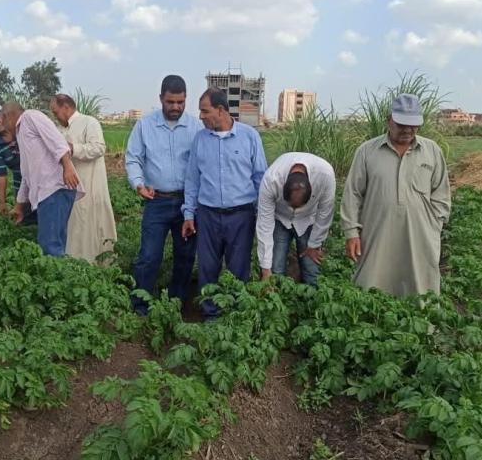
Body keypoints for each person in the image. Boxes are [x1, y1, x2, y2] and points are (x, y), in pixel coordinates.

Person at [340, 93, 451, 296]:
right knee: (371, 284)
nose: (408, 130)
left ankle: (422, 327)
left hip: (420, 236)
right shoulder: (367, 151)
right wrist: (351, 232)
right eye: (402, 124)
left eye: (413, 125)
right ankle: (370, 326)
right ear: (389, 120)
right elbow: (352, 194)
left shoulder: (432, 151)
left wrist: (433, 225)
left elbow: (441, 194)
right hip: (376, 232)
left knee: (420, 287)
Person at [181, 87, 267, 318]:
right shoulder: (200, 139)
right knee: (208, 268)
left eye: (205, 111)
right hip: (208, 215)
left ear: (221, 110)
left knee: (239, 268)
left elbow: (260, 178)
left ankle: (235, 316)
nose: (200, 116)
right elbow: (192, 180)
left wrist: (262, 214)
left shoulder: (249, 136)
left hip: (242, 215)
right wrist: (189, 214)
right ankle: (211, 315)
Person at [125, 75, 205, 315]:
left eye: (180, 102)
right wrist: (139, 184)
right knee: (149, 256)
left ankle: (176, 303)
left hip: (186, 203)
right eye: (171, 102)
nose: (176, 107)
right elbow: (133, 158)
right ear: (161, 99)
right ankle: (141, 306)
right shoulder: (145, 125)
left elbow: (204, 162)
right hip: (156, 200)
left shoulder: (196, 127)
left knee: (185, 255)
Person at [0, 102, 83, 257]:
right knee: (53, 242)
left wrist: (67, 166)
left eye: (2, 122)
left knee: (50, 246)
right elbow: (27, 174)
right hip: (49, 192)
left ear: (6, 117)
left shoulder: (30, 117)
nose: (3, 128)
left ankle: (58, 279)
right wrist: (19, 206)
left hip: (54, 188)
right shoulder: (21, 134)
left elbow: (56, 140)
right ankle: (60, 277)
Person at [50, 94, 116, 262]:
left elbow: (99, 148)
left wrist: (73, 148)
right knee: (73, 230)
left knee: (91, 228)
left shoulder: (89, 122)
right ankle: (74, 268)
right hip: (67, 189)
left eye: (56, 112)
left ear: (66, 107)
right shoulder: (58, 129)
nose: (55, 116)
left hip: (90, 186)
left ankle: (95, 267)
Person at [257, 152, 335, 286]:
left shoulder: (325, 175)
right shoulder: (271, 179)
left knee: (312, 268)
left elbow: (324, 213)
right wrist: (265, 269)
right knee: (275, 268)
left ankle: (312, 301)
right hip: (280, 218)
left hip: (308, 219)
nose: (295, 210)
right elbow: (264, 225)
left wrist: (315, 244)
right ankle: (277, 300)